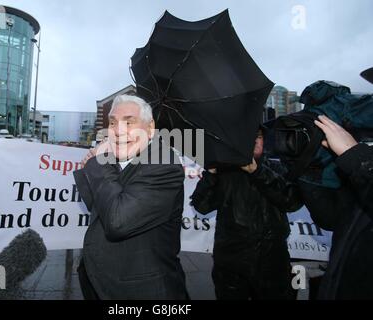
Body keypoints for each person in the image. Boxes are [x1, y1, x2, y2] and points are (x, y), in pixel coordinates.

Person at [73, 94, 189, 299]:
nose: (118, 130)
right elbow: (99, 207)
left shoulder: (164, 164)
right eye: (113, 122)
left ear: (150, 128)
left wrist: (100, 164)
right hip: (100, 284)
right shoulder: (117, 158)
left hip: (141, 291)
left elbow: (118, 221)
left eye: (130, 121)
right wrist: (92, 167)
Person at [190, 126, 303, 300]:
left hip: (273, 261)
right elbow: (201, 206)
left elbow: (292, 202)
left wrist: (258, 172)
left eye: (258, 136)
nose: (254, 141)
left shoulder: (278, 167)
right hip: (231, 264)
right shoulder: (223, 171)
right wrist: (211, 173)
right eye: (248, 137)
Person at [298, 115, 373, 299]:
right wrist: (307, 169)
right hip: (341, 278)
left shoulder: (361, 161)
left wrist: (355, 156)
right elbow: (330, 218)